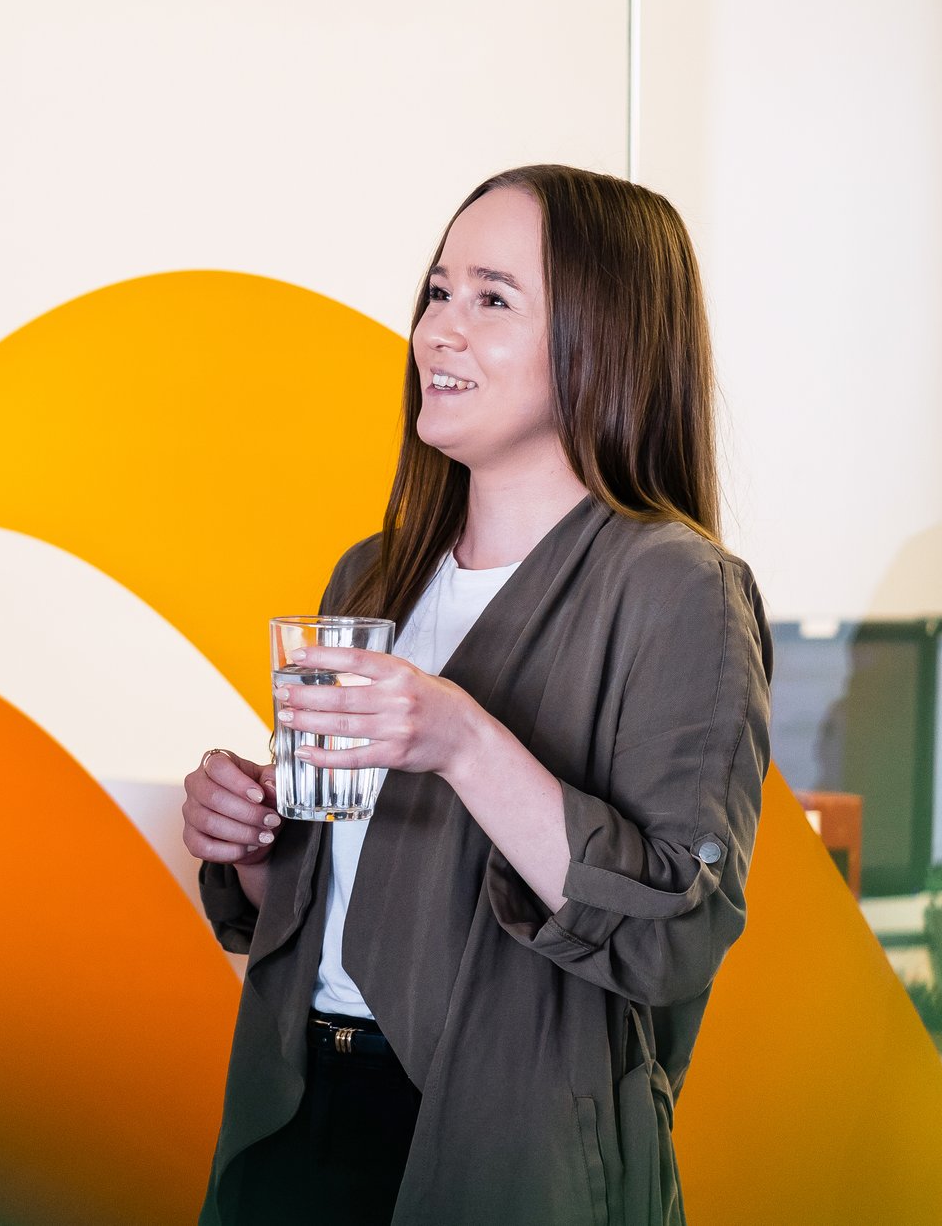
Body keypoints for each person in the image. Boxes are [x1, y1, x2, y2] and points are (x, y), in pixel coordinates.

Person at [180, 165, 773, 1226]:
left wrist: (462, 740)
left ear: (606, 338)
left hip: (506, 1149)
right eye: (436, 291)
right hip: (306, 1116)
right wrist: (256, 845)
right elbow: (336, 911)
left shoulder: (677, 591)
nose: (436, 332)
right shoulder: (369, 578)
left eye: (492, 298)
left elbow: (671, 936)